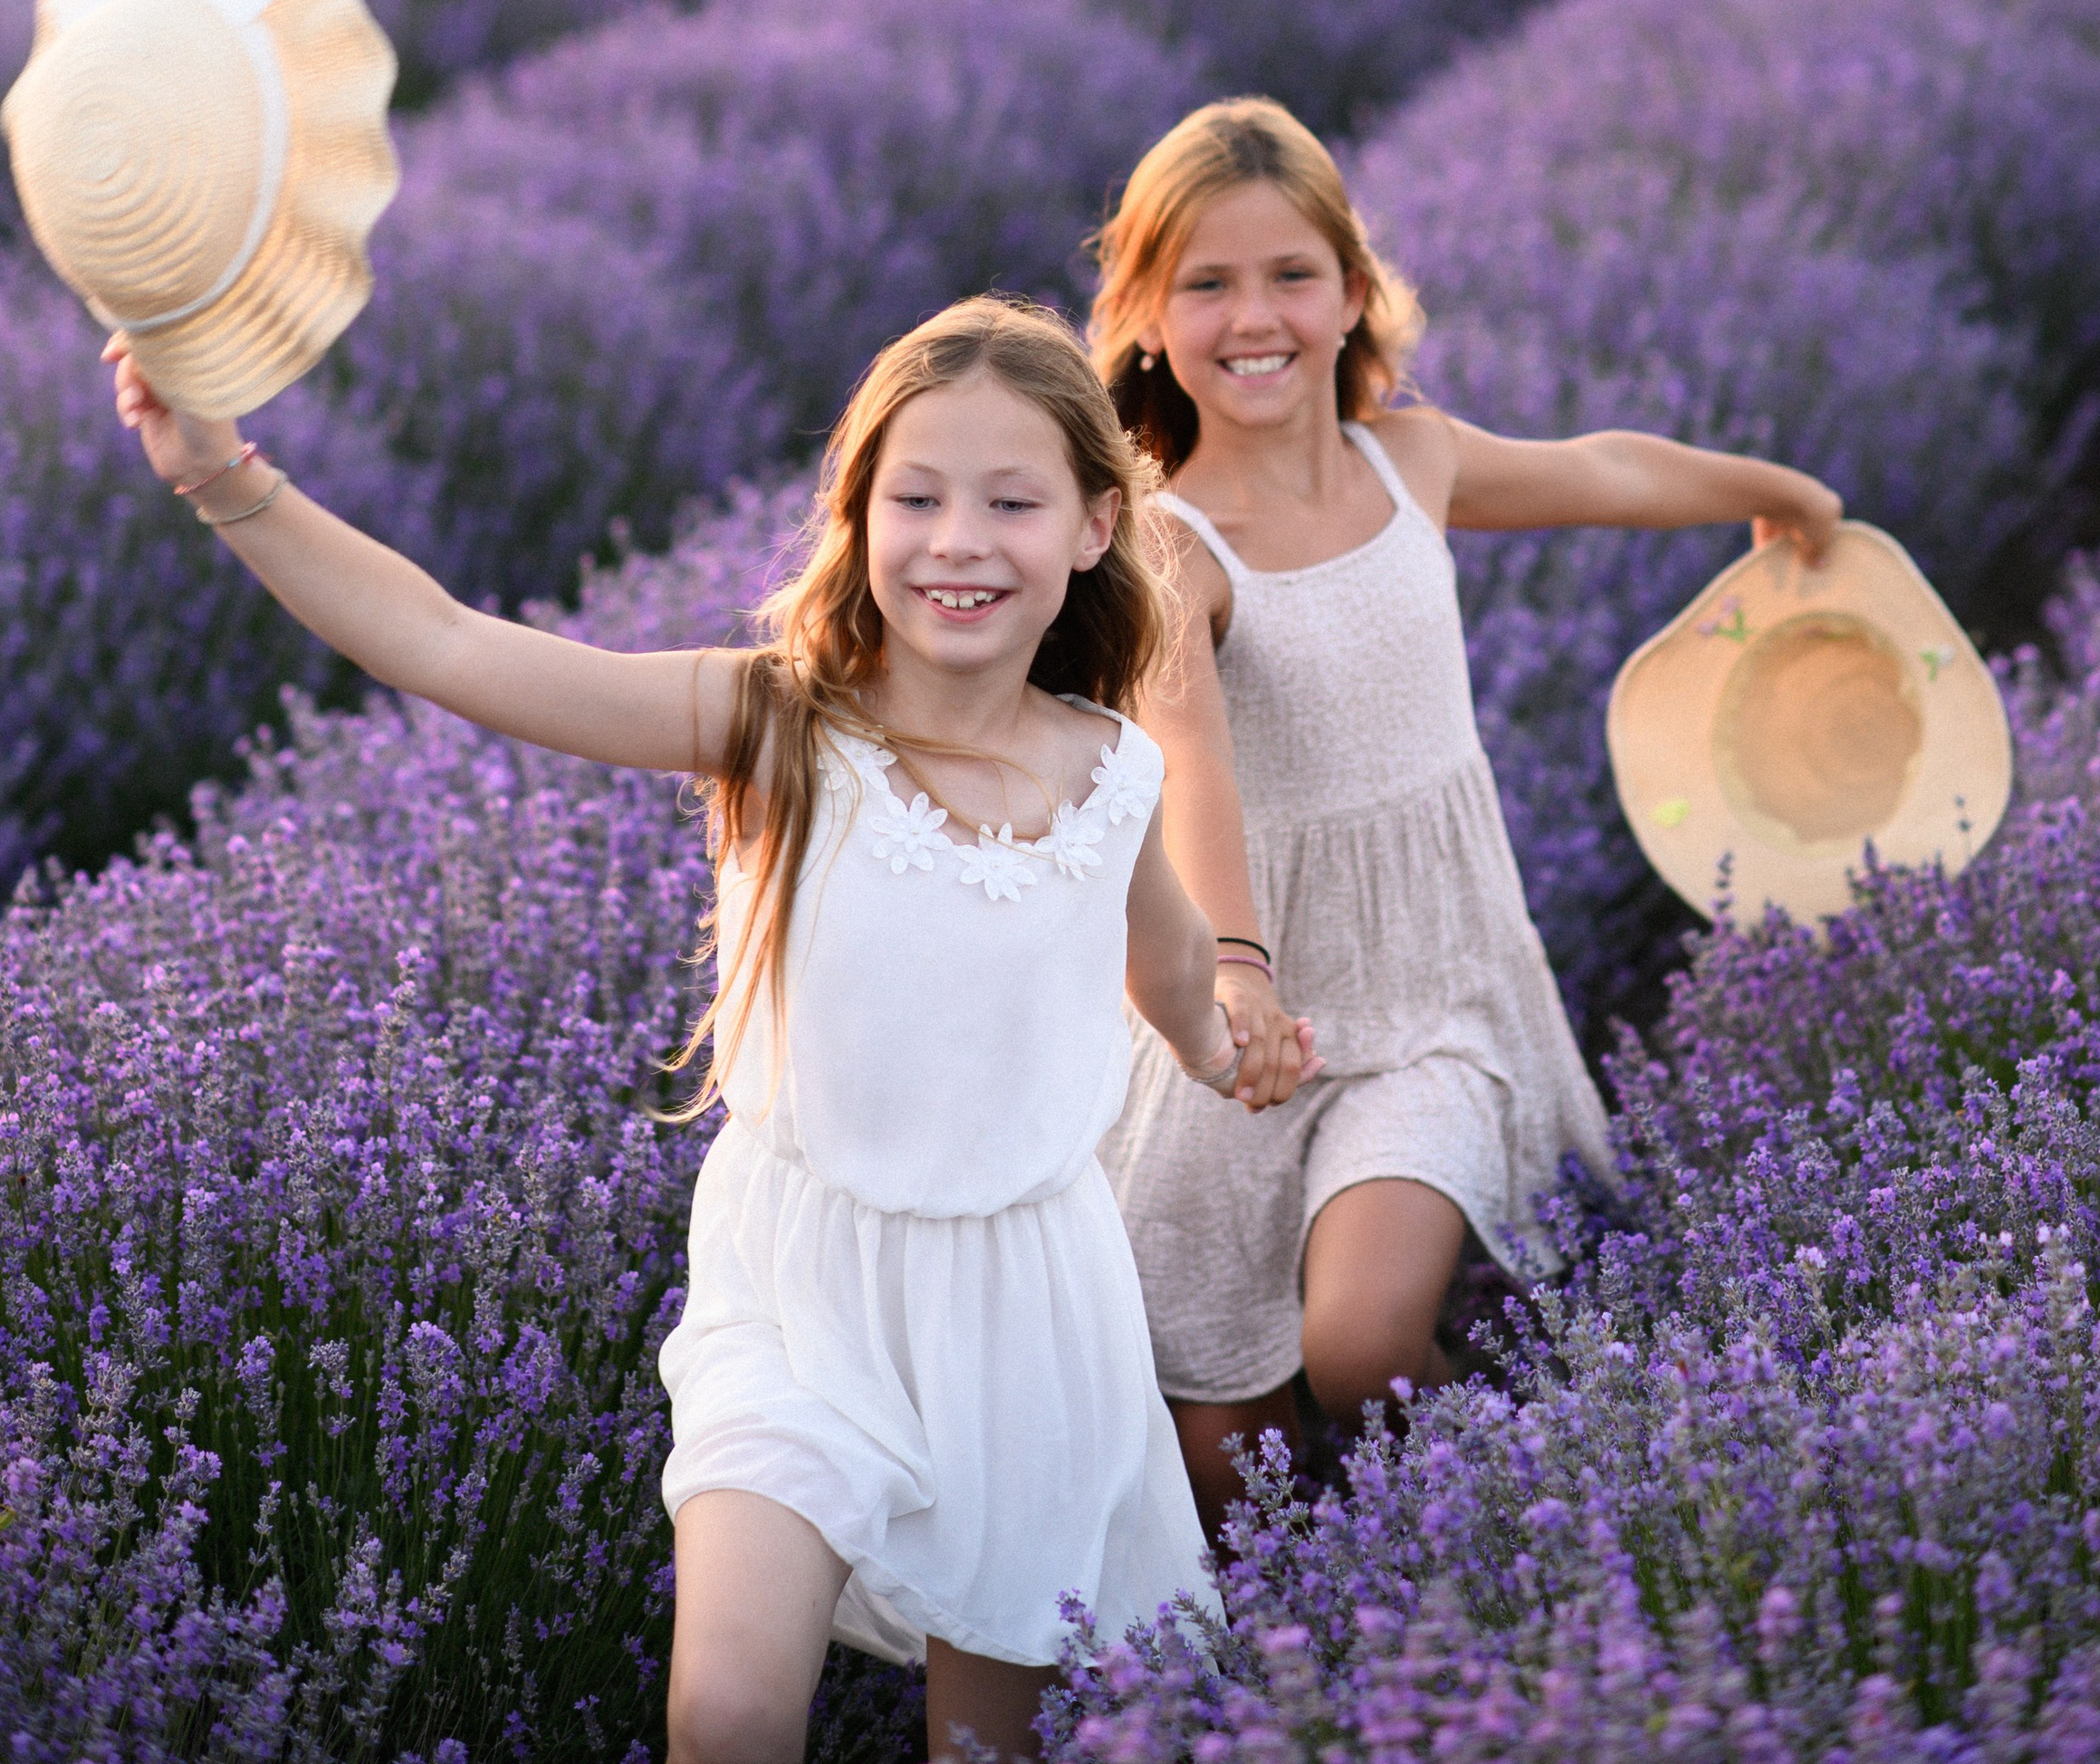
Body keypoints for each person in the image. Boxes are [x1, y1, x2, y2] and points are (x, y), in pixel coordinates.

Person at [108, 293, 1283, 1764]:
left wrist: (1233, 1033)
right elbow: (451, 646)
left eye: (1011, 502)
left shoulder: (1111, 773)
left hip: (1025, 1310)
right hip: (798, 1291)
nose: (956, 542)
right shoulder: (784, 726)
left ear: (1097, 528)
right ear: (858, 521)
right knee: (727, 1707)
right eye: (911, 499)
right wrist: (222, 473)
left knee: (986, 1740)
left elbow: (1168, 967)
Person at [1089, 98, 1842, 1537]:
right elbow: (1192, 764)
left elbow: (1602, 467)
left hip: (1431, 990)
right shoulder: (1170, 550)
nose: (1257, 317)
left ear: (1355, 290)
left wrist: (1775, 493)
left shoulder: (1407, 460)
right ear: (1144, 317)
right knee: (1221, 1457)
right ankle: (1348, 1640)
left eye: (1292, 275)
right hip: (1239, 1019)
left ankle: (1533, 1514)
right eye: (1208, 284)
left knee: (1363, 1349)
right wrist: (1235, 971)